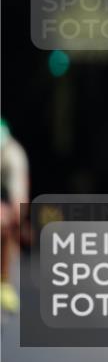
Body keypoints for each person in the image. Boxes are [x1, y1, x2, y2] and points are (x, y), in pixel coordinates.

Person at [0, 118, 30, 314]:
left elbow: (19, 203)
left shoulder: (14, 155)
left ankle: (4, 281)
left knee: (5, 222)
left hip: (6, 201)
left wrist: (10, 217)